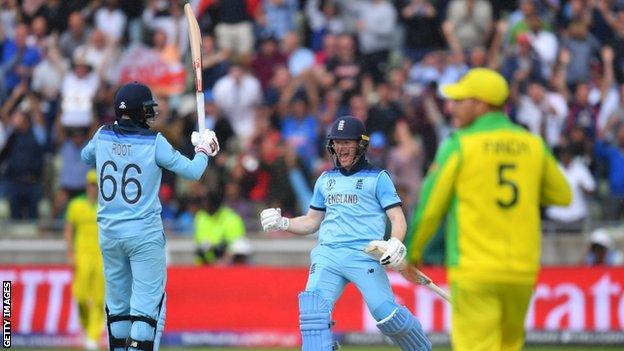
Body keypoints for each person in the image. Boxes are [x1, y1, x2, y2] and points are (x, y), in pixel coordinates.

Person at [405, 68, 572, 351]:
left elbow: (430, 209)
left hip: (475, 268)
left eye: (460, 101)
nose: (452, 107)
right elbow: (562, 195)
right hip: (521, 269)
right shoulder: (532, 143)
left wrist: (413, 254)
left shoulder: (459, 145)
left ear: (480, 104)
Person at [260, 116, 431, 351]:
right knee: (313, 313)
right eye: (337, 142)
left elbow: (397, 218)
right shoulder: (325, 179)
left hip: (365, 255)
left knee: (388, 317)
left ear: (361, 145)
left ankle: (422, 348)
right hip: (328, 255)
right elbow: (311, 221)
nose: (341, 148)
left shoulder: (378, 178)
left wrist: (394, 242)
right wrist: (283, 223)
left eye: (347, 142)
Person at [81, 82, 219, 351]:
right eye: (146, 109)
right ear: (137, 111)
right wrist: (203, 149)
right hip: (143, 234)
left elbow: (86, 156)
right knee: (146, 307)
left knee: (118, 306)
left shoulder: (101, 135)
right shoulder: (155, 142)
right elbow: (193, 172)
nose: (150, 113)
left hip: (109, 234)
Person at [64, 169, 104, 350]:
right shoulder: (76, 205)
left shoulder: (105, 206)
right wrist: (70, 252)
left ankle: (93, 336)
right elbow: (68, 229)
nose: (93, 189)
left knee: (98, 299)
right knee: (79, 297)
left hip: (102, 258)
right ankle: (88, 329)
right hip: (82, 256)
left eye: (96, 185)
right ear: (86, 186)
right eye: (91, 185)